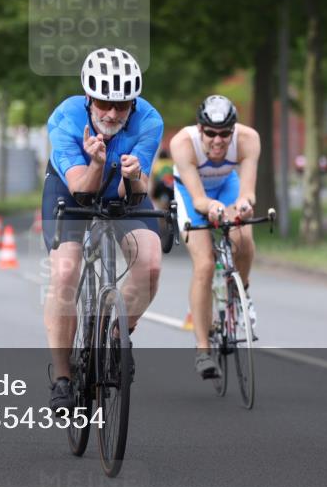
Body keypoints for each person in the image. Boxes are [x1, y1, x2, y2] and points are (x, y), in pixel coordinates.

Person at [43, 47, 164, 411]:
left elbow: (137, 193)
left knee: (151, 262)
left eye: (122, 105)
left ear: (133, 104)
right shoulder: (64, 119)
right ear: (88, 99)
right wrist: (96, 161)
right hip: (72, 187)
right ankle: (63, 378)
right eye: (103, 103)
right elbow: (82, 189)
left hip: (124, 186)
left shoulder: (150, 121)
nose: (112, 113)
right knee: (66, 271)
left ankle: (116, 338)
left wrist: (133, 177)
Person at [169, 95, 261, 379]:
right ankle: (202, 350)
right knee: (205, 265)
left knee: (243, 238)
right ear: (200, 129)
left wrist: (243, 205)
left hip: (225, 186)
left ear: (233, 130)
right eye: (211, 133)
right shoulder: (183, 144)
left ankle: (240, 293)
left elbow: (247, 192)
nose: (218, 140)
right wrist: (213, 208)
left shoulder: (249, 139)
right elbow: (198, 201)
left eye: (224, 134)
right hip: (191, 192)